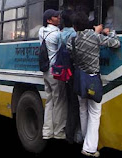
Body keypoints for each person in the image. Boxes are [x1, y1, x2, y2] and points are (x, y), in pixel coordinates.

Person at [66, 12, 121, 157]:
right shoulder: (94, 36)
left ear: (75, 26)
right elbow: (115, 43)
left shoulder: (71, 40)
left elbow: (71, 55)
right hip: (92, 79)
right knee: (95, 113)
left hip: (79, 79)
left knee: (83, 110)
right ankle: (89, 148)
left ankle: (85, 140)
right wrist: (110, 32)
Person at [38, 9, 68, 140]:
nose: (59, 18)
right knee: (59, 101)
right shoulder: (57, 34)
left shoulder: (41, 31)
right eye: (55, 17)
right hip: (55, 72)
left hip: (45, 71)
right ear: (49, 20)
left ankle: (47, 131)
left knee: (49, 101)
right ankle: (58, 131)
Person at [59, 9, 82, 144]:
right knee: (75, 105)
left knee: (68, 103)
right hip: (74, 72)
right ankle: (72, 135)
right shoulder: (74, 34)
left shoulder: (60, 34)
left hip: (64, 72)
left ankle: (68, 132)